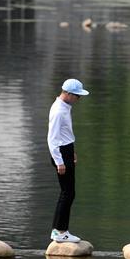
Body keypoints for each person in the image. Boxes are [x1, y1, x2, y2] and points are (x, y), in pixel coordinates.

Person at [47, 78, 89, 244]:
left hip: (67, 150)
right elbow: (52, 139)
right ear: (69, 94)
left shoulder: (64, 107)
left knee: (68, 192)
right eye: (77, 96)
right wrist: (60, 161)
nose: (79, 99)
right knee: (67, 193)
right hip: (61, 153)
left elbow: (65, 134)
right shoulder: (59, 111)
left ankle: (59, 230)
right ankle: (60, 231)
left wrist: (72, 152)